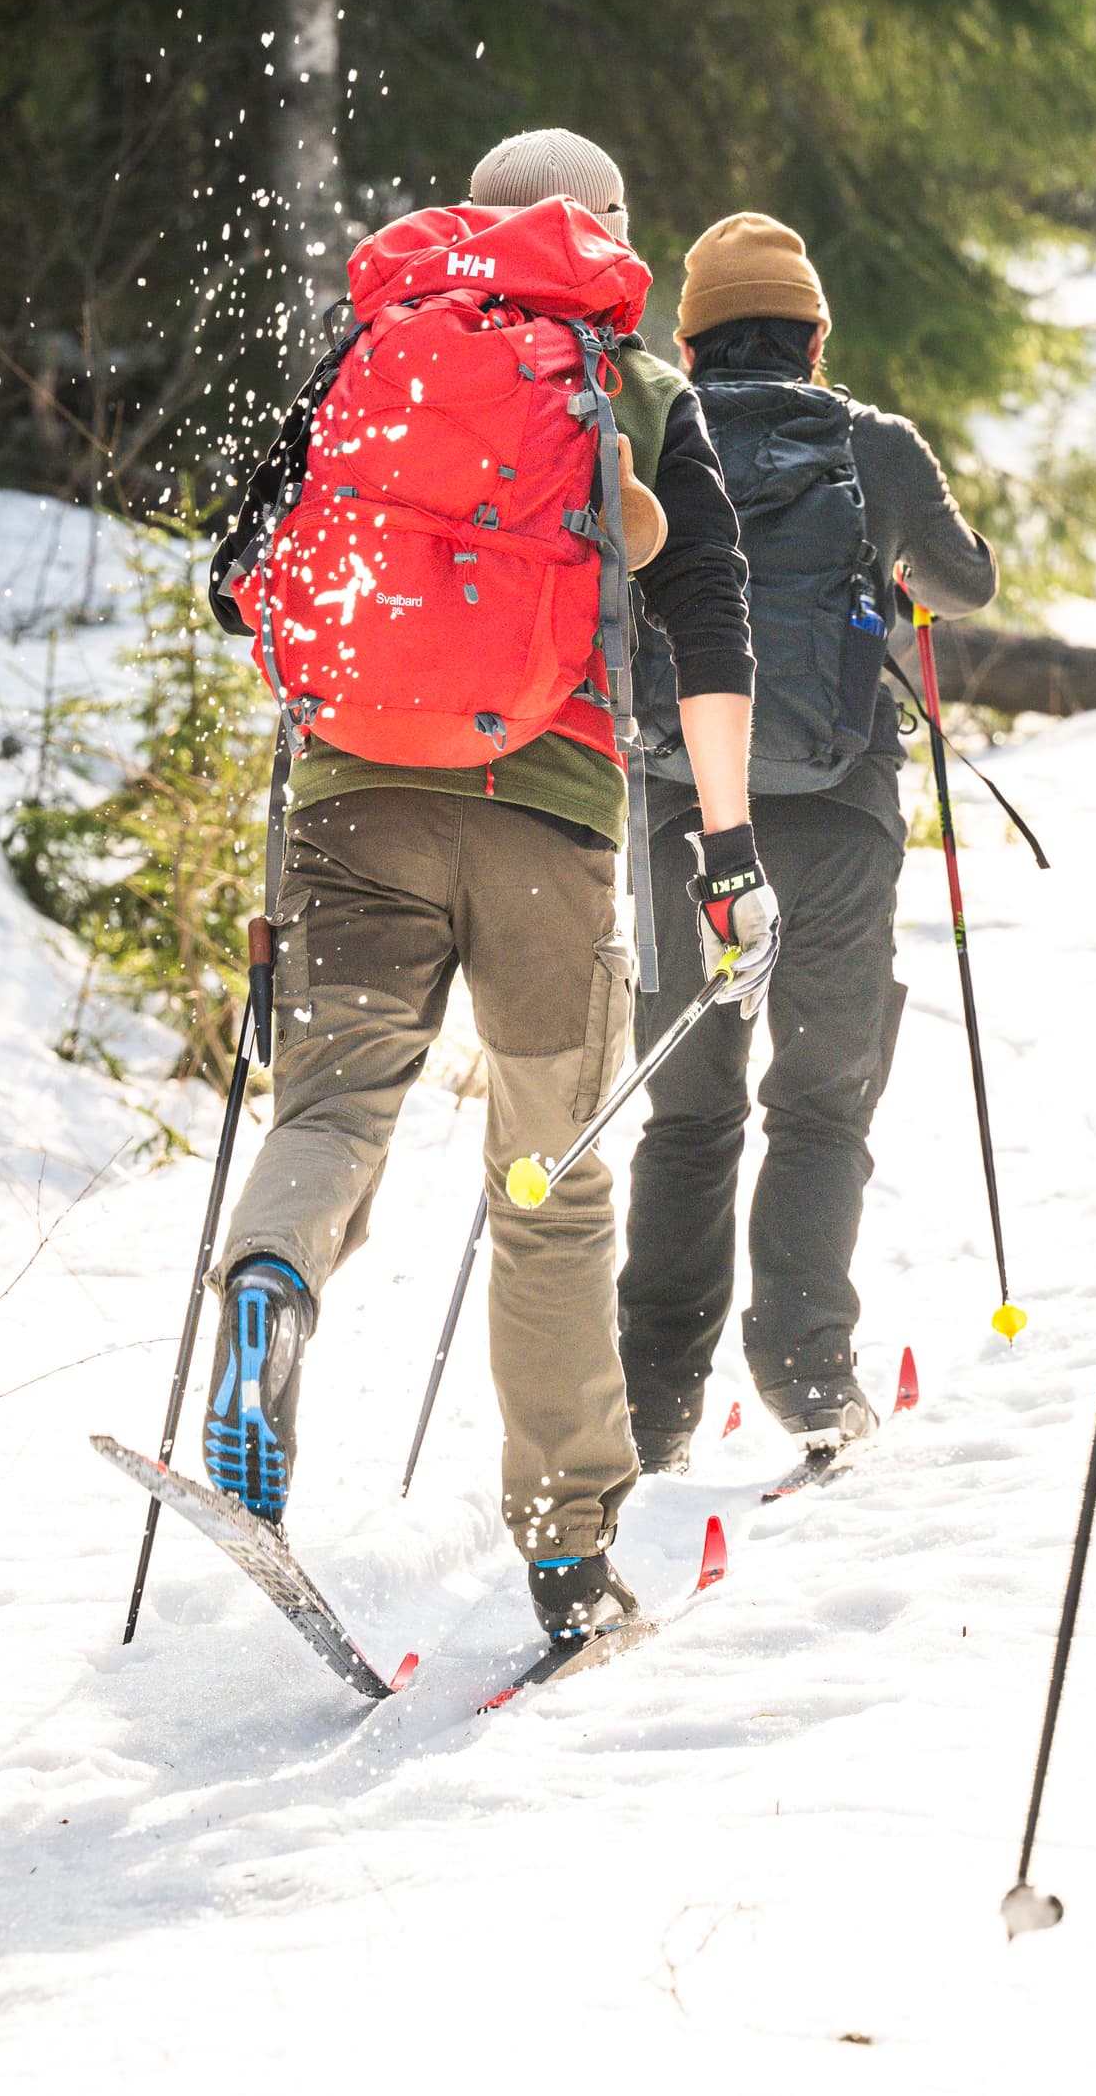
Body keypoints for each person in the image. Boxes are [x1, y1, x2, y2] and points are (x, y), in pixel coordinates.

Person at [202, 129, 769, 1647]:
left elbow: (237, 572)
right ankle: (570, 1555)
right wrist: (725, 859)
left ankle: (267, 1288)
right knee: (548, 1183)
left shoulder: (365, 356)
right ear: (609, 235)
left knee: (328, 1119)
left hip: (349, 809)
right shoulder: (634, 390)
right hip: (550, 820)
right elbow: (709, 623)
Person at [617, 212, 1000, 1466]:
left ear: (690, 336)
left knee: (688, 1116)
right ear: (817, 335)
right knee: (822, 1106)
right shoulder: (872, 443)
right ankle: (808, 1371)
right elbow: (968, 583)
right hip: (841, 821)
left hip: (682, 811)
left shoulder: (652, 430)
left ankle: (654, 1401)